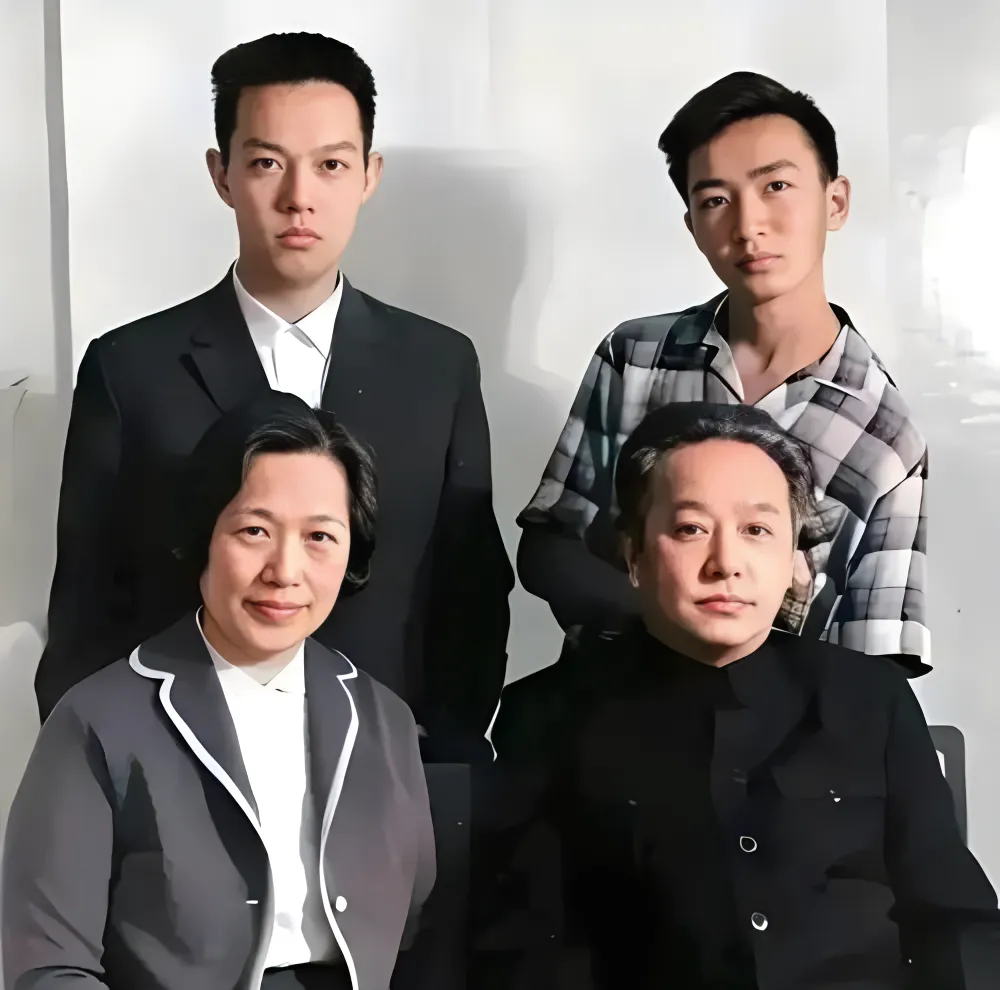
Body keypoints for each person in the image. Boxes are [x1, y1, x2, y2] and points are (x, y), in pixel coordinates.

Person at [37, 32, 513, 759]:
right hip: (179, 762)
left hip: (385, 765)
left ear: (369, 175)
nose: (299, 198)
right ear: (221, 174)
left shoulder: (439, 366)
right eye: (266, 163)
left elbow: (470, 594)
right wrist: (104, 772)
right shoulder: (130, 368)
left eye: (331, 165)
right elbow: (85, 603)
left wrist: (438, 761)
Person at [475, 403, 998, 990]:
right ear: (634, 555)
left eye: (757, 531)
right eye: (690, 529)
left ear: (795, 560)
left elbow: (955, 919)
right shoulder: (547, 714)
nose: (726, 564)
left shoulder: (873, 699)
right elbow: (524, 951)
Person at [4, 393, 436, 990]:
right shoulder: (98, 721)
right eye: (254, 530)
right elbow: (48, 968)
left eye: (319, 536)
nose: (284, 571)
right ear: (203, 535)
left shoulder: (384, 718)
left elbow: (415, 930)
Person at [517, 71, 928, 670]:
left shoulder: (884, 431)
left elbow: (880, 655)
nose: (748, 225)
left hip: (772, 727)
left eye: (776, 186)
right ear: (691, 224)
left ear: (834, 202)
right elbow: (550, 544)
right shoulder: (636, 357)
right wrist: (669, 623)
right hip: (608, 707)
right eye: (715, 200)